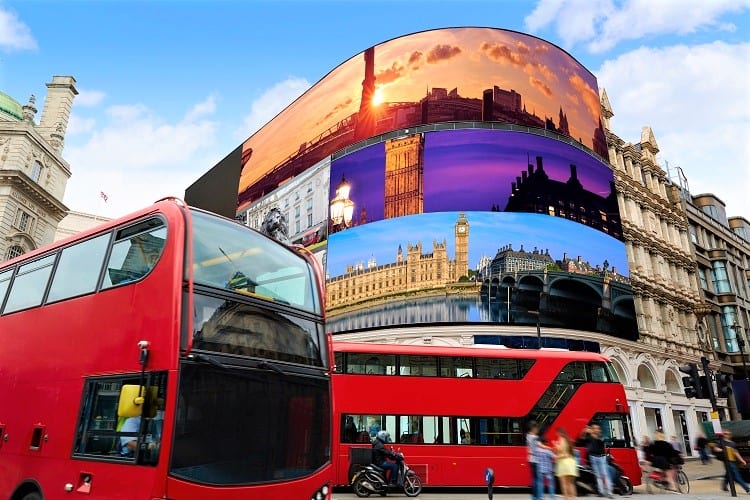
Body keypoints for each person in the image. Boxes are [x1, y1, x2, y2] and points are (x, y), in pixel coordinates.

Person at [715, 429, 750, 493]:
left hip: (733, 461)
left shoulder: (732, 443)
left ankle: (724, 486)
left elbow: (736, 452)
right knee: (737, 475)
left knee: (728, 474)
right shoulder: (721, 442)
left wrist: (742, 460)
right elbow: (716, 448)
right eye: (725, 434)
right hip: (727, 461)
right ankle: (747, 489)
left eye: (728, 434)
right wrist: (722, 450)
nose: (726, 435)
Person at [583, 424, 613, 498]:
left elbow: (600, 442)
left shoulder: (601, 437)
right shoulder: (589, 437)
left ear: (599, 430)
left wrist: (592, 433)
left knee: (605, 475)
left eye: (597, 428)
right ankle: (601, 492)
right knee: (598, 476)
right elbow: (582, 438)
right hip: (593, 457)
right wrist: (584, 431)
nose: (596, 430)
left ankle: (609, 492)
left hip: (601, 458)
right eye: (594, 428)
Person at [554, 427, 578, 500]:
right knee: (571, 483)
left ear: (559, 433)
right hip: (571, 462)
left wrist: (556, 445)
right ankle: (574, 498)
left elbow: (562, 453)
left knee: (564, 483)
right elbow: (569, 453)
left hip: (564, 463)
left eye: (557, 433)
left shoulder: (561, 439)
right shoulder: (568, 440)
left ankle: (566, 498)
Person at [536, 435, 556, 500]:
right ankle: (552, 498)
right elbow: (554, 457)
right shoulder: (548, 451)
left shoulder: (537, 450)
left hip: (540, 469)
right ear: (546, 443)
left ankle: (540, 497)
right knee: (551, 484)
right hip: (548, 470)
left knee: (540, 484)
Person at [527, 420, 542, 500]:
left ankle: (534, 497)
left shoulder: (528, 436)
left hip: (530, 459)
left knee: (534, 479)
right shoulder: (535, 437)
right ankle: (538, 497)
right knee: (538, 480)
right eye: (536, 428)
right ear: (533, 428)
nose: (537, 429)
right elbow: (540, 446)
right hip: (536, 460)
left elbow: (529, 450)